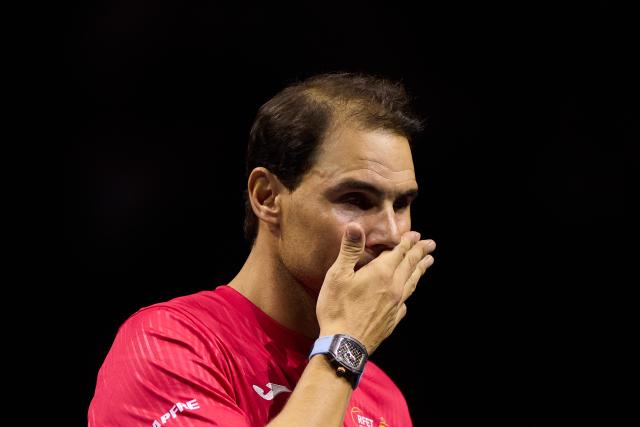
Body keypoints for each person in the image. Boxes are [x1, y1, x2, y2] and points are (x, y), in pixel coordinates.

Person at [89, 72, 437, 426]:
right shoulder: (168, 345)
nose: (392, 234)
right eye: (356, 200)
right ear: (267, 197)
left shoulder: (383, 399)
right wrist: (346, 345)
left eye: (402, 204)